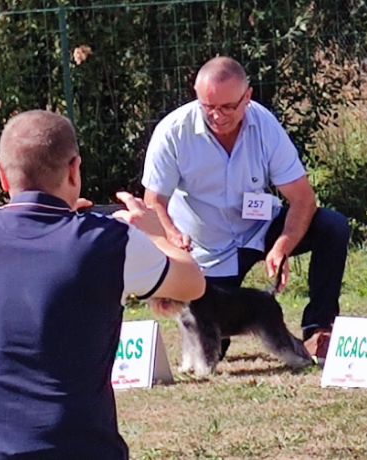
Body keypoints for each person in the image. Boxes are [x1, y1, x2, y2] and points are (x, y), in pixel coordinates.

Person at [0, 110, 206, 458]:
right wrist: (157, 233)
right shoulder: (110, 242)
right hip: (74, 447)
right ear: (74, 169)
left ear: (2, 175)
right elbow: (192, 284)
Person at [142, 56, 350, 362]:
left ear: (247, 97)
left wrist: (283, 245)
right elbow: (153, 202)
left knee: (332, 226)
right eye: (208, 106)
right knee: (214, 344)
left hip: (259, 229)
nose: (217, 116)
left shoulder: (265, 125)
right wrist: (172, 235)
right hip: (205, 248)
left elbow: (303, 199)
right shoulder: (173, 131)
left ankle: (319, 328)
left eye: (228, 107)